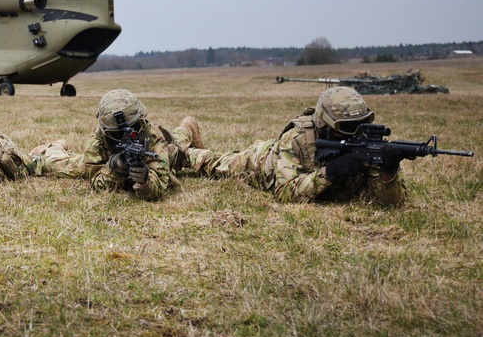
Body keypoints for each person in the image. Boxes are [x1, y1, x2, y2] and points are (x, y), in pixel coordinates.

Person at [177, 86, 406, 205]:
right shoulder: (297, 138)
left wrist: (388, 173)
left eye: (361, 125)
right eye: (347, 127)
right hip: (263, 163)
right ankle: (184, 139)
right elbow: (285, 193)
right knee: (215, 163)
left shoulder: (369, 145)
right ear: (324, 124)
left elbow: (390, 203)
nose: (356, 133)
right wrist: (331, 173)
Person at [30, 88, 203, 200]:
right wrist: (114, 167)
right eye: (117, 133)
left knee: (180, 150)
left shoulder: (153, 138)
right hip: (106, 160)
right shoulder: (96, 143)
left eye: (133, 128)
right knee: (66, 166)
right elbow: (96, 183)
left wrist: (145, 182)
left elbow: (160, 184)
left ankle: (187, 127)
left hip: (165, 155)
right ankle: (52, 149)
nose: (125, 136)